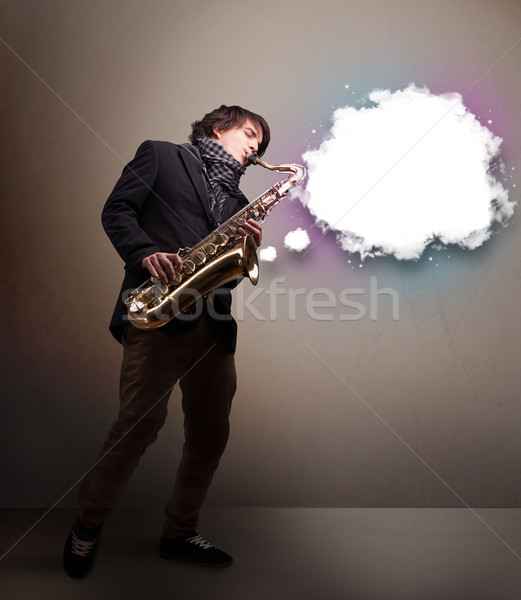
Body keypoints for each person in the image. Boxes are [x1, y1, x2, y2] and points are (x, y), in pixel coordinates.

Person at [63, 105, 270, 578]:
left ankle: (180, 532)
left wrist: (247, 249)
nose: (256, 146)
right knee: (138, 425)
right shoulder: (161, 155)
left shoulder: (238, 201)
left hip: (213, 325)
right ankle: (88, 525)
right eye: (251, 133)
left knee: (210, 434)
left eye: (261, 142)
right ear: (218, 128)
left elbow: (231, 278)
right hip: (156, 313)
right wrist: (143, 253)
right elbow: (116, 210)